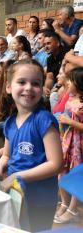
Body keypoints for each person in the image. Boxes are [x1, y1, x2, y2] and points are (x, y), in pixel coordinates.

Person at [0, 59, 63, 232]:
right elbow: (6, 155)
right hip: (16, 194)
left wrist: (17, 176)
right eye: (22, 82)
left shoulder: (44, 119)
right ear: (8, 87)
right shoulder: (10, 122)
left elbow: (56, 164)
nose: (29, 87)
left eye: (35, 83)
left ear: (42, 88)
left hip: (40, 199)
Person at [55, 68, 83, 224]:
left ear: (79, 84)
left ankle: (73, 208)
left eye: (70, 81)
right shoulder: (69, 98)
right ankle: (64, 203)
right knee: (61, 173)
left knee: (75, 175)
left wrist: (71, 122)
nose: (67, 83)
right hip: (65, 142)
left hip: (78, 146)